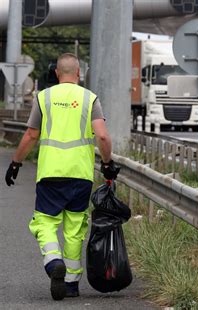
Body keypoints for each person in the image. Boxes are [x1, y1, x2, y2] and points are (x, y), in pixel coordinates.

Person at [4, 53, 120, 300]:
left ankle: (53, 261)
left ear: (57, 73)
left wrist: (16, 162)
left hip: (50, 174)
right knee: (75, 227)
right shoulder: (89, 98)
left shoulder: (44, 97)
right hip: (80, 175)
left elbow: (30, 135)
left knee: (45, 222)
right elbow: (102, 136)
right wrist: (108, 163)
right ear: (79, 73)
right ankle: (70, 284)